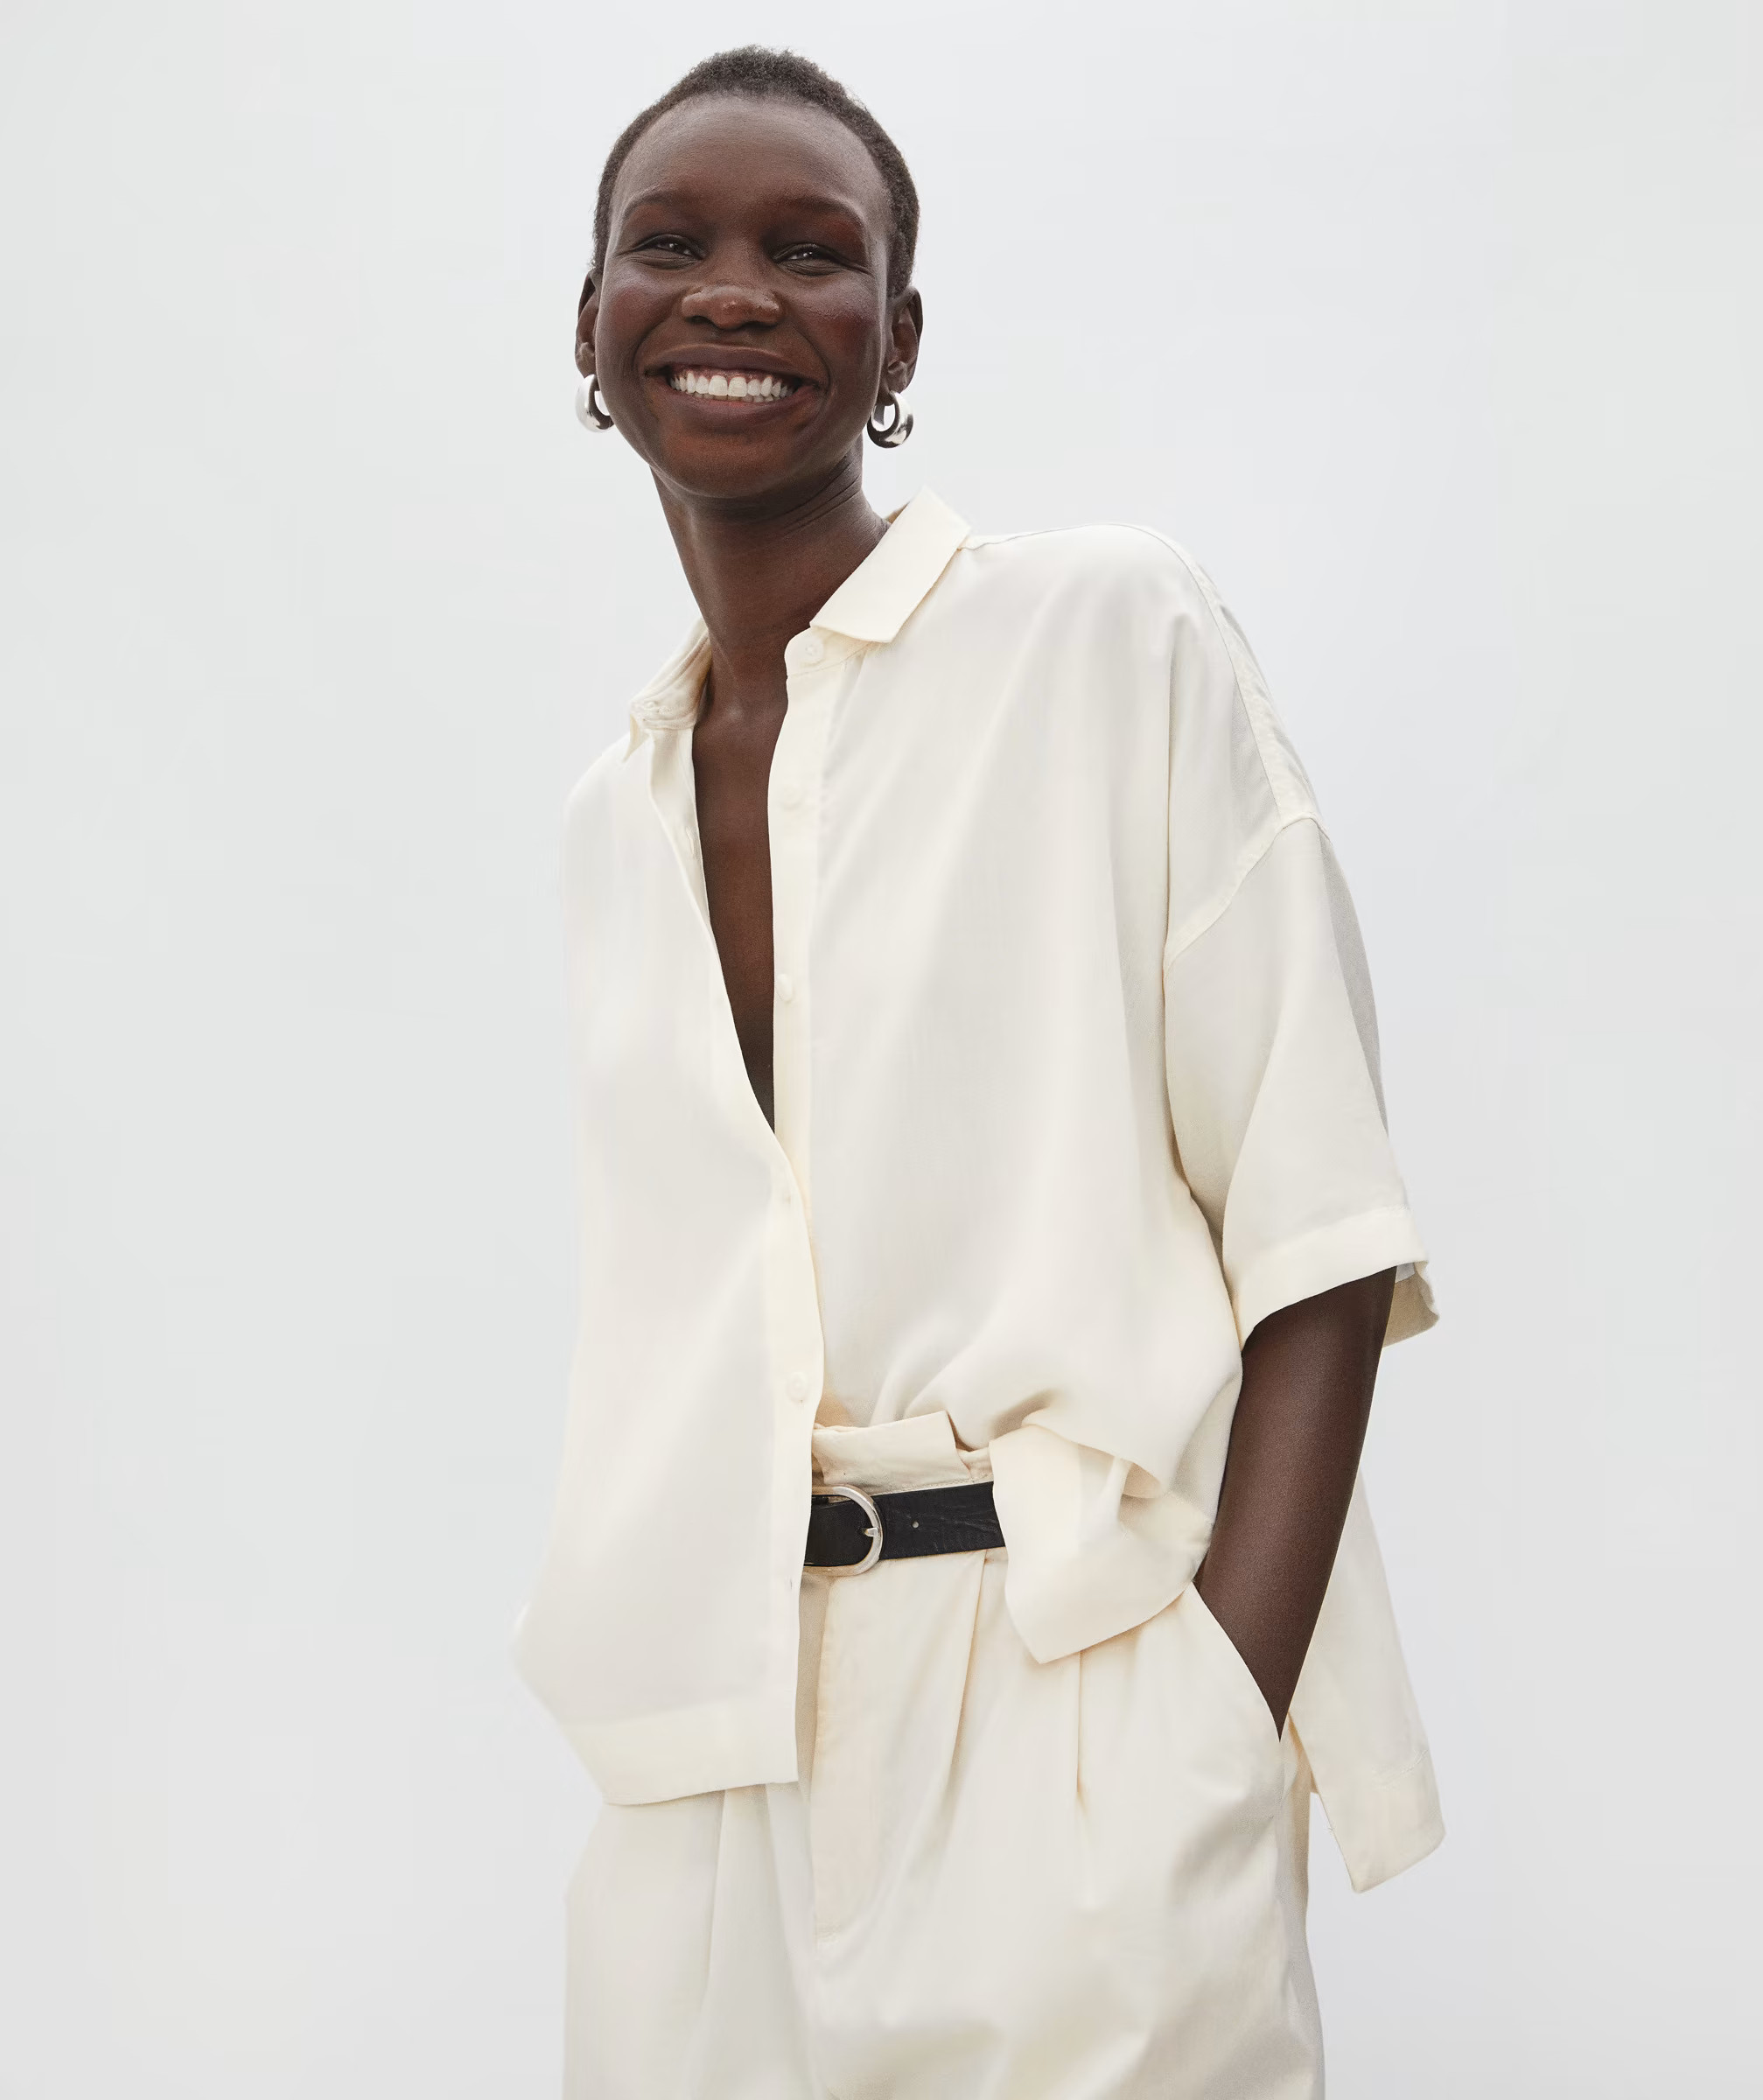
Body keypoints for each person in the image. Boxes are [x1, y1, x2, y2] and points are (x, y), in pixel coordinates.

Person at [515, 46, 1444, 2100]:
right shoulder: (615, 813)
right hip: (699, 1780)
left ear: (899, 339)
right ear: (589, 329)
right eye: (669, 244)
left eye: (810, 251)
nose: (734, 290)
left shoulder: (1111, 636)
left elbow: (1318, 1225)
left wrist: (1213, 1722)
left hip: (1070, 1705)